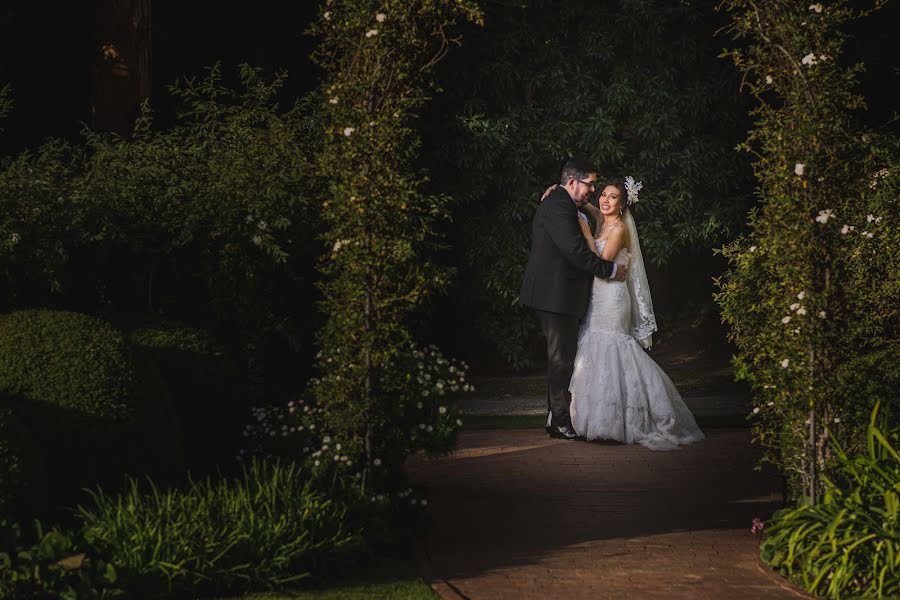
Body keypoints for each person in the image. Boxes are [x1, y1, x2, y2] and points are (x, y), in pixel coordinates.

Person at [568, 178, 704, 450]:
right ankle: (591, 419)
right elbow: (591, 207)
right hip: (599, 297)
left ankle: (635, 417)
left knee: (616, 348)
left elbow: (602, 262)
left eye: (613, 197)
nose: (605, 200)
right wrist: (559, 192)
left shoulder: (618, 229)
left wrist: (585, 233)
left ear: (623, 205)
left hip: (613, 298)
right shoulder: (604, 219)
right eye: (604, 194)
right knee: (595, 348)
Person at [520, 159, 628, 441]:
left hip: (558, 295)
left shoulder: (563, 200)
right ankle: (560, 423)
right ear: (572, 183)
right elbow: (576, 252)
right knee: (561, 360)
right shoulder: (559, 206)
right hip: (554, 296)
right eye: (590, 184)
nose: (593, 189)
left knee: (562, 358)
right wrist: (612, 270)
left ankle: (554, 419)